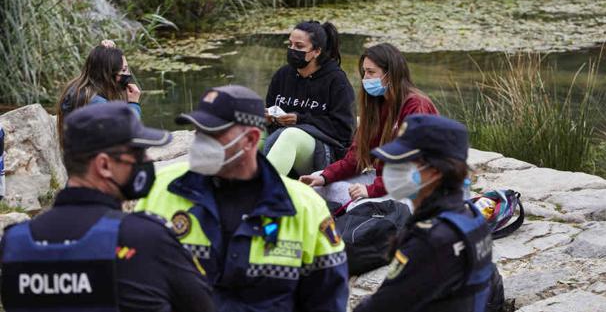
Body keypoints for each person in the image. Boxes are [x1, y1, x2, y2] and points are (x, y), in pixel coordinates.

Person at [135, 85, 349, 312]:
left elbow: (328, 299)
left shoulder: (304, 206)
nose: (200, 142)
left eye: (213, 133)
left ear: (250, 139)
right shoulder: (161, 188)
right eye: (198, 131)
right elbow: (134, 280)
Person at [0, 102, 215, 312]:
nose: (147, 160)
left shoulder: (15, 244)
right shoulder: (147, 239)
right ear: (104, 165)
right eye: (137, 153)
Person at [354, 114, 504, 312]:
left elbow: (381, 306)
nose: (391, 170)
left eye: (403, 163)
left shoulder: (432, 239)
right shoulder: (470, 217)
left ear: (434, 171)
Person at [300, 43, 438, 204]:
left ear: (391, 74)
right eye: (364, 72)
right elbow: (356, 157)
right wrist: (325, 177)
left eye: (371, 72)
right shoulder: (377, 105)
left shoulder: (416, 106)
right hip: (386, 182)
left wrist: (371, 190)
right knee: (316, 183)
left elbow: (411, 167)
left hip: (417, 187)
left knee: (361, 203)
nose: (365, 78)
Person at [264, 20, 355, 177]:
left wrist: (300, 119)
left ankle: (261, 194)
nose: (292, 50)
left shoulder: (336, 80)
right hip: (279, 135)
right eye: (290, 44)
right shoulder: (283, 75)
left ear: (316, 51)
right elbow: (270, 108)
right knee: (247, 132)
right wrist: (268, 119)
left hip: (324, 150)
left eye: (299, 46)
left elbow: (344, 130)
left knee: (291, 135)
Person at [56, 40, 141, 147]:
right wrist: (133, 104)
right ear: (108, 73)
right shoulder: (96, 103)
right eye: (124, 70)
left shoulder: (77, 88)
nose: (127, 74)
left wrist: (107, 52)